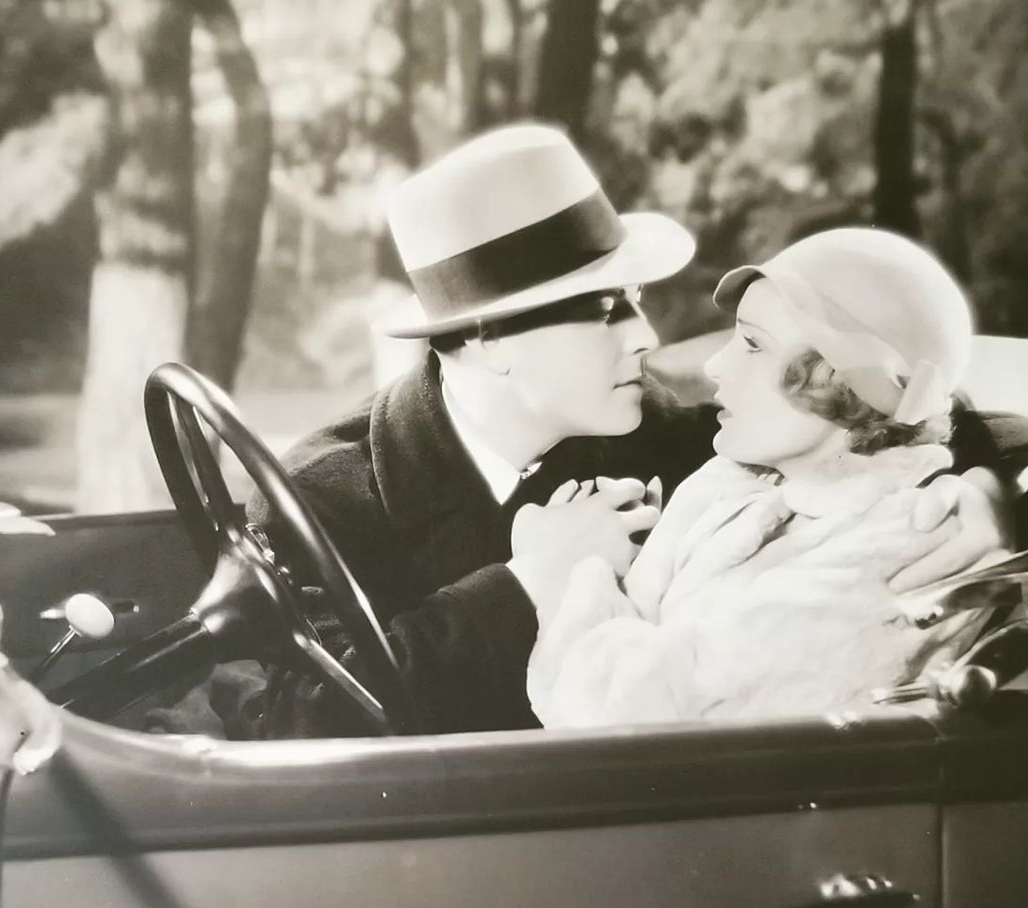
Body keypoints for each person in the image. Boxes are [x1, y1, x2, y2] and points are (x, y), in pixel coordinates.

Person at [233, 125, 1022, 740]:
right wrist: (524, 587)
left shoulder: (655, 432)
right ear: (484, 341)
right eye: (604, 308)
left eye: (634, 299)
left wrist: (995, 503)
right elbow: (287, 722)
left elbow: (895, 416)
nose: (646, 337)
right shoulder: (322, 500)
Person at [527, 228, 1006, 727]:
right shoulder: (731, 482)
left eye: (753, 344)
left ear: (848, 380)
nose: (715, 365)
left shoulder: (907, 540)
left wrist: (573, 579)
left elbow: (609, 712)